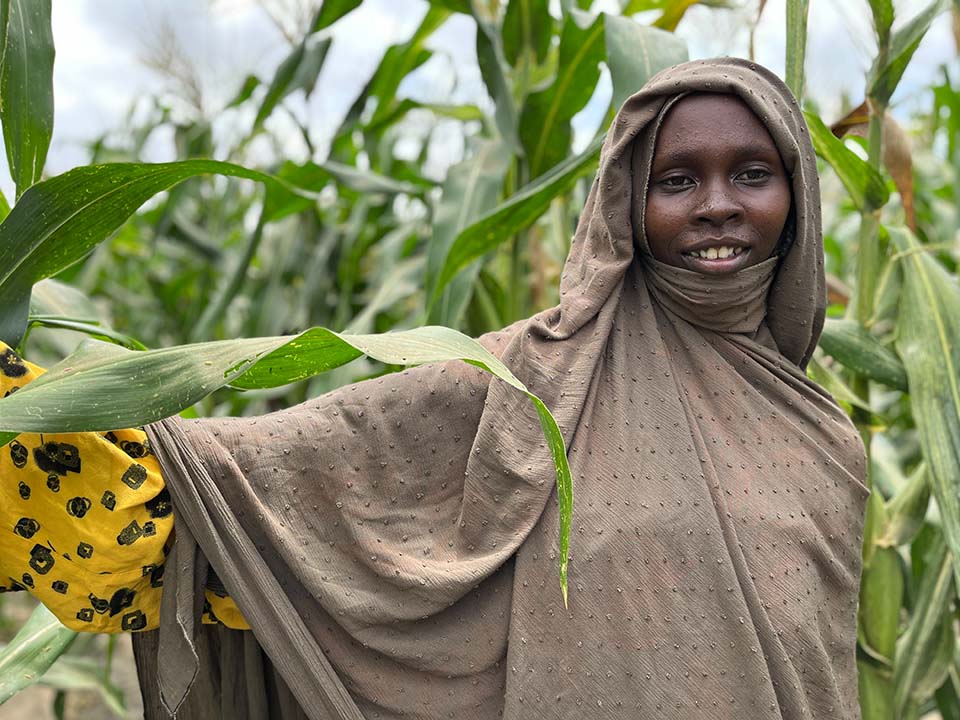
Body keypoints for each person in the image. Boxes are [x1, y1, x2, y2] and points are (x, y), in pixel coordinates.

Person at [0, 57, 869, 719]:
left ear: (797, 193)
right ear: (625, 206)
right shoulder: (531, 379)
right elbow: (280, 482)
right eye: (677, 180)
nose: (716, 203)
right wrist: (37, 417)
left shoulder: (825, 439)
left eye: (752, 173)